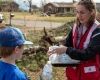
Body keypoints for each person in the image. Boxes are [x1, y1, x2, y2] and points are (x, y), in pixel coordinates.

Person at [47, 0, 100, 80]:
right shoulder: (75, 27)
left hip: (89, 75)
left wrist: (66, 50)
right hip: (73, 74)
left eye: (82, 12)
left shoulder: (97, 30)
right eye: (77, 12)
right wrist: (56, 50)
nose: (79, 16)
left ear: (91, 12)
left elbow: (88, 54)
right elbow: (67, 44)